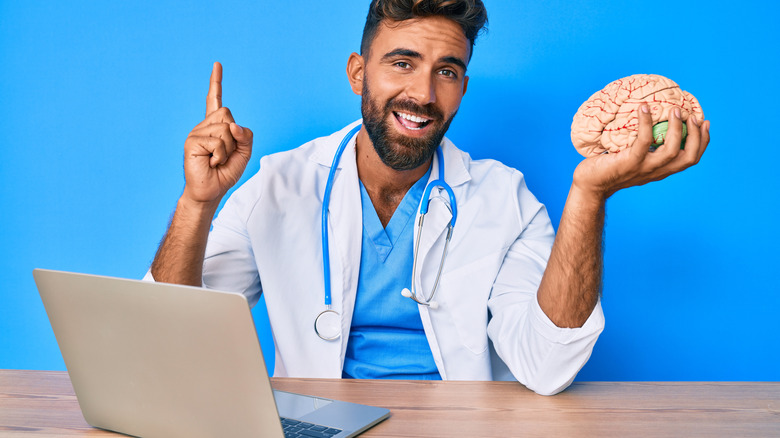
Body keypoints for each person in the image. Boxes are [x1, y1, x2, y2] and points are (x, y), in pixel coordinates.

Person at [147, 0, 709, 396]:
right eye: (401, 63)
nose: (422, 93)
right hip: (319, 424)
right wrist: (198, 204)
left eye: (447, 71)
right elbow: (170, 337)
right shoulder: (279, 183)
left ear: (463, 87)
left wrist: (590, 194)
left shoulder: (502, 199)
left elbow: (546, 364)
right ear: (358, 72)